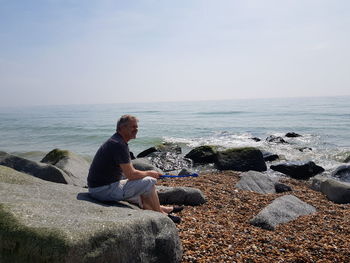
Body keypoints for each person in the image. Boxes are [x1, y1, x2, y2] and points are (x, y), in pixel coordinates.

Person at [87, 114, 182, 223]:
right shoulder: (118, 145)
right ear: (121, 128)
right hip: (102, 190)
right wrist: (150, 173)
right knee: (149, 182)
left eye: (136, 127)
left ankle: (161, 209)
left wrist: (144, 174)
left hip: (99, 187)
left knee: (141, 186)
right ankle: (162, 216)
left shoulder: (116, 141)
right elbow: (131, 175)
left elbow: (128, 174)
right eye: (133, 127)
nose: (136, 129)